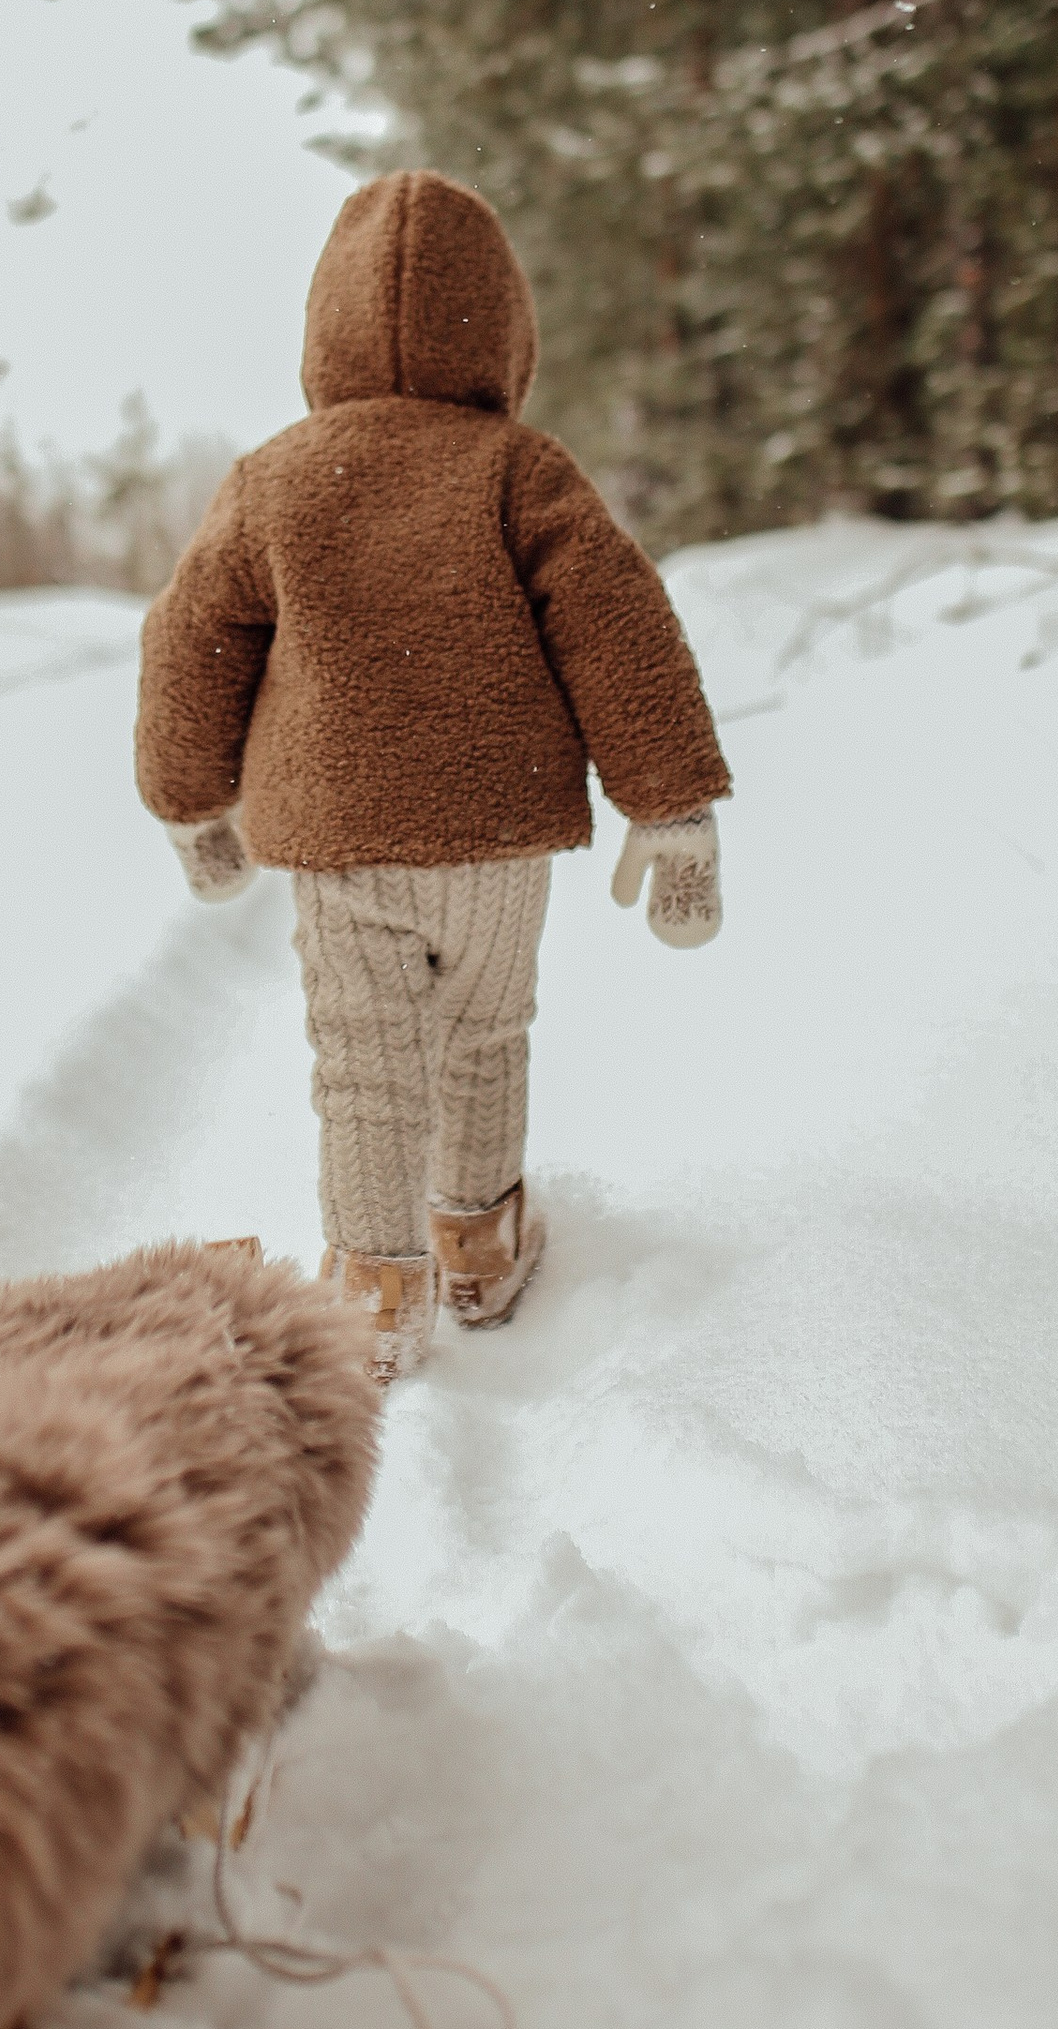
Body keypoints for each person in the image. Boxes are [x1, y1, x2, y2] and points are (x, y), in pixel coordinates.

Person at [135, 169, 731, 1381]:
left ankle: (371, 1286)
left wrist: (190, 798)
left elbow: (192, 639)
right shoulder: (518, 469)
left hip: (341, 834)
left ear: (323, 337)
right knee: (483, 1030)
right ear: (505, 335)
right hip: (495, 823)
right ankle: (477, 1240)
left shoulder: (276, 477)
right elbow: (617, 626)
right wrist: (668, 802)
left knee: (360, 1058)